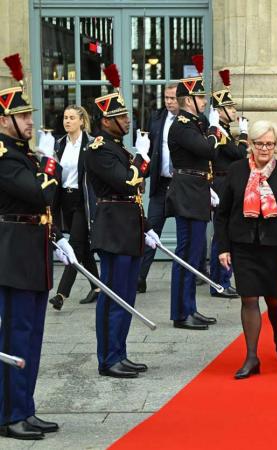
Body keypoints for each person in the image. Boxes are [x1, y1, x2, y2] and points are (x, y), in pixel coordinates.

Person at [0, 53, 75, 440]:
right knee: (16, 337)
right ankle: (10, 414)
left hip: (34, 252)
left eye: (30, 116)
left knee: (32, 337)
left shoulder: (21, 154)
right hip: (14, 255)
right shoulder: (4, 157)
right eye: (24, 117)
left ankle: (25, 408)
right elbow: (40, 193)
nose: (31, 122)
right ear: (4, 120)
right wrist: (49, 166)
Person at [84, 64, 159, 379]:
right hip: (113, 229)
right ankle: (108, 358)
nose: (129, 120)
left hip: (129, 228)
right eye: (123, 117)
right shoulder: (99, 150)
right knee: (113, 294)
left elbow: (140, 181)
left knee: (126, 295)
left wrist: (146, 226)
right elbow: (127, 183)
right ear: (107, 121)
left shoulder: (119, 149)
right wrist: (141, 160)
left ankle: (120, 352)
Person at [215, 120, 277, 379]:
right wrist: (223, 248)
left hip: (275, 248)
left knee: (274, 300)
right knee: (249, 298)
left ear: (276, 145)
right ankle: (252, 357)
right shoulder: (235, 170)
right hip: (243, 246)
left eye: (269, 144)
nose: (264, 148)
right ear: (250, 145)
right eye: (259, 143)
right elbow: (222, 214)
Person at [166, 72, 221, 330]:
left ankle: (190, 307)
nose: (203, 102)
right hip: (188, 191)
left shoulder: (192, 124)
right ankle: (181, 312)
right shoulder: (181, 125)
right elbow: (208, 149)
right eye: (200, 97)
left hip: (196, 189)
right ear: (188, 101)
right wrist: (213, 130)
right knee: (186, 254)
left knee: (194, 253)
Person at [48, 105, 101, 311]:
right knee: (84, 249)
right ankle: (97, 286)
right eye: (65, 117)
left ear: (81, 121)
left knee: (76, 245)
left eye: (71, 118)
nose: (67, 121)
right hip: (64, 200)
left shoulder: (90, 144)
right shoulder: (60, 144)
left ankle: (61, 294)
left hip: (82, 200)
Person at [208, 74, 248, 299]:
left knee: (224, 234)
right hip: (221, 183)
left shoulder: (222, 129)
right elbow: (239, 154)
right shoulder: (219, 131)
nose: (233, 111)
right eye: (229, 107)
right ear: (219, 110)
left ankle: (221, 279)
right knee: (223, 235)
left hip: (226, 182)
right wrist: (244, 134)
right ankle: (220, 281)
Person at [136, 83, 178, 294]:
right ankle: (140, 277)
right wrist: (142, 175)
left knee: (187, 229)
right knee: (151, 230)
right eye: (167, 97)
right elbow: (149, 149)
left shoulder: (192, 120)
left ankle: (198, 270)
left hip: (182, 184)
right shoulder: (157, 117)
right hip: (161, 183)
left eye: (173, 98)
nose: (169, 101)